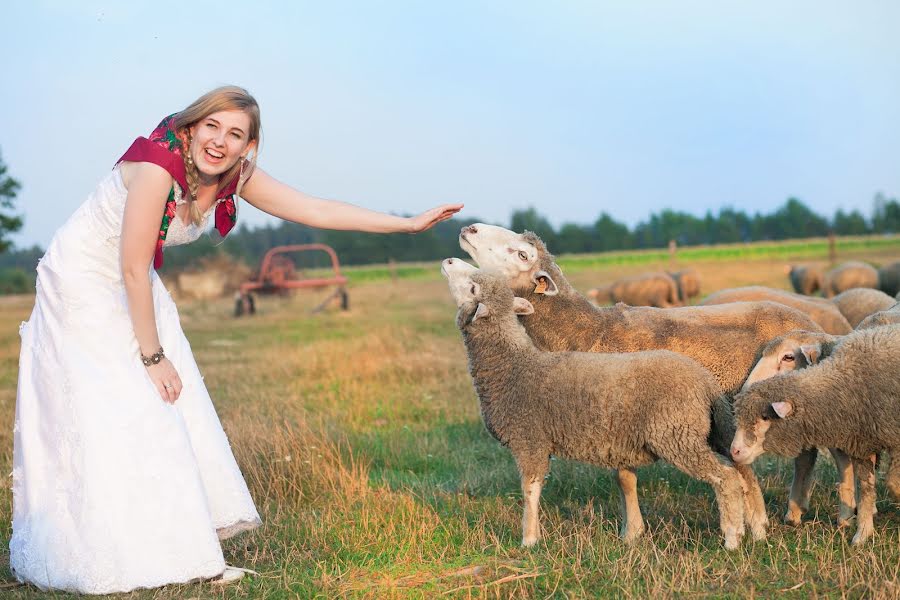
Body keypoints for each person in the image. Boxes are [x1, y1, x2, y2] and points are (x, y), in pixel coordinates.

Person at [12, 85, 462, 594]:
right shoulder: (158, 165)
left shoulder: (235, 175)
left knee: (171, 406)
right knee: (126, 396)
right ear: (191, 126)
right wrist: (153, 355)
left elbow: (314, 210)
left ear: (249, 147)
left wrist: (405, 225)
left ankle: (172, 542)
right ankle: (103, 545)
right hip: (85, 277)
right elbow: (134, 267)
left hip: (131, 280)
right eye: (212, 127)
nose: (220, 142)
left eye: (235, 134)